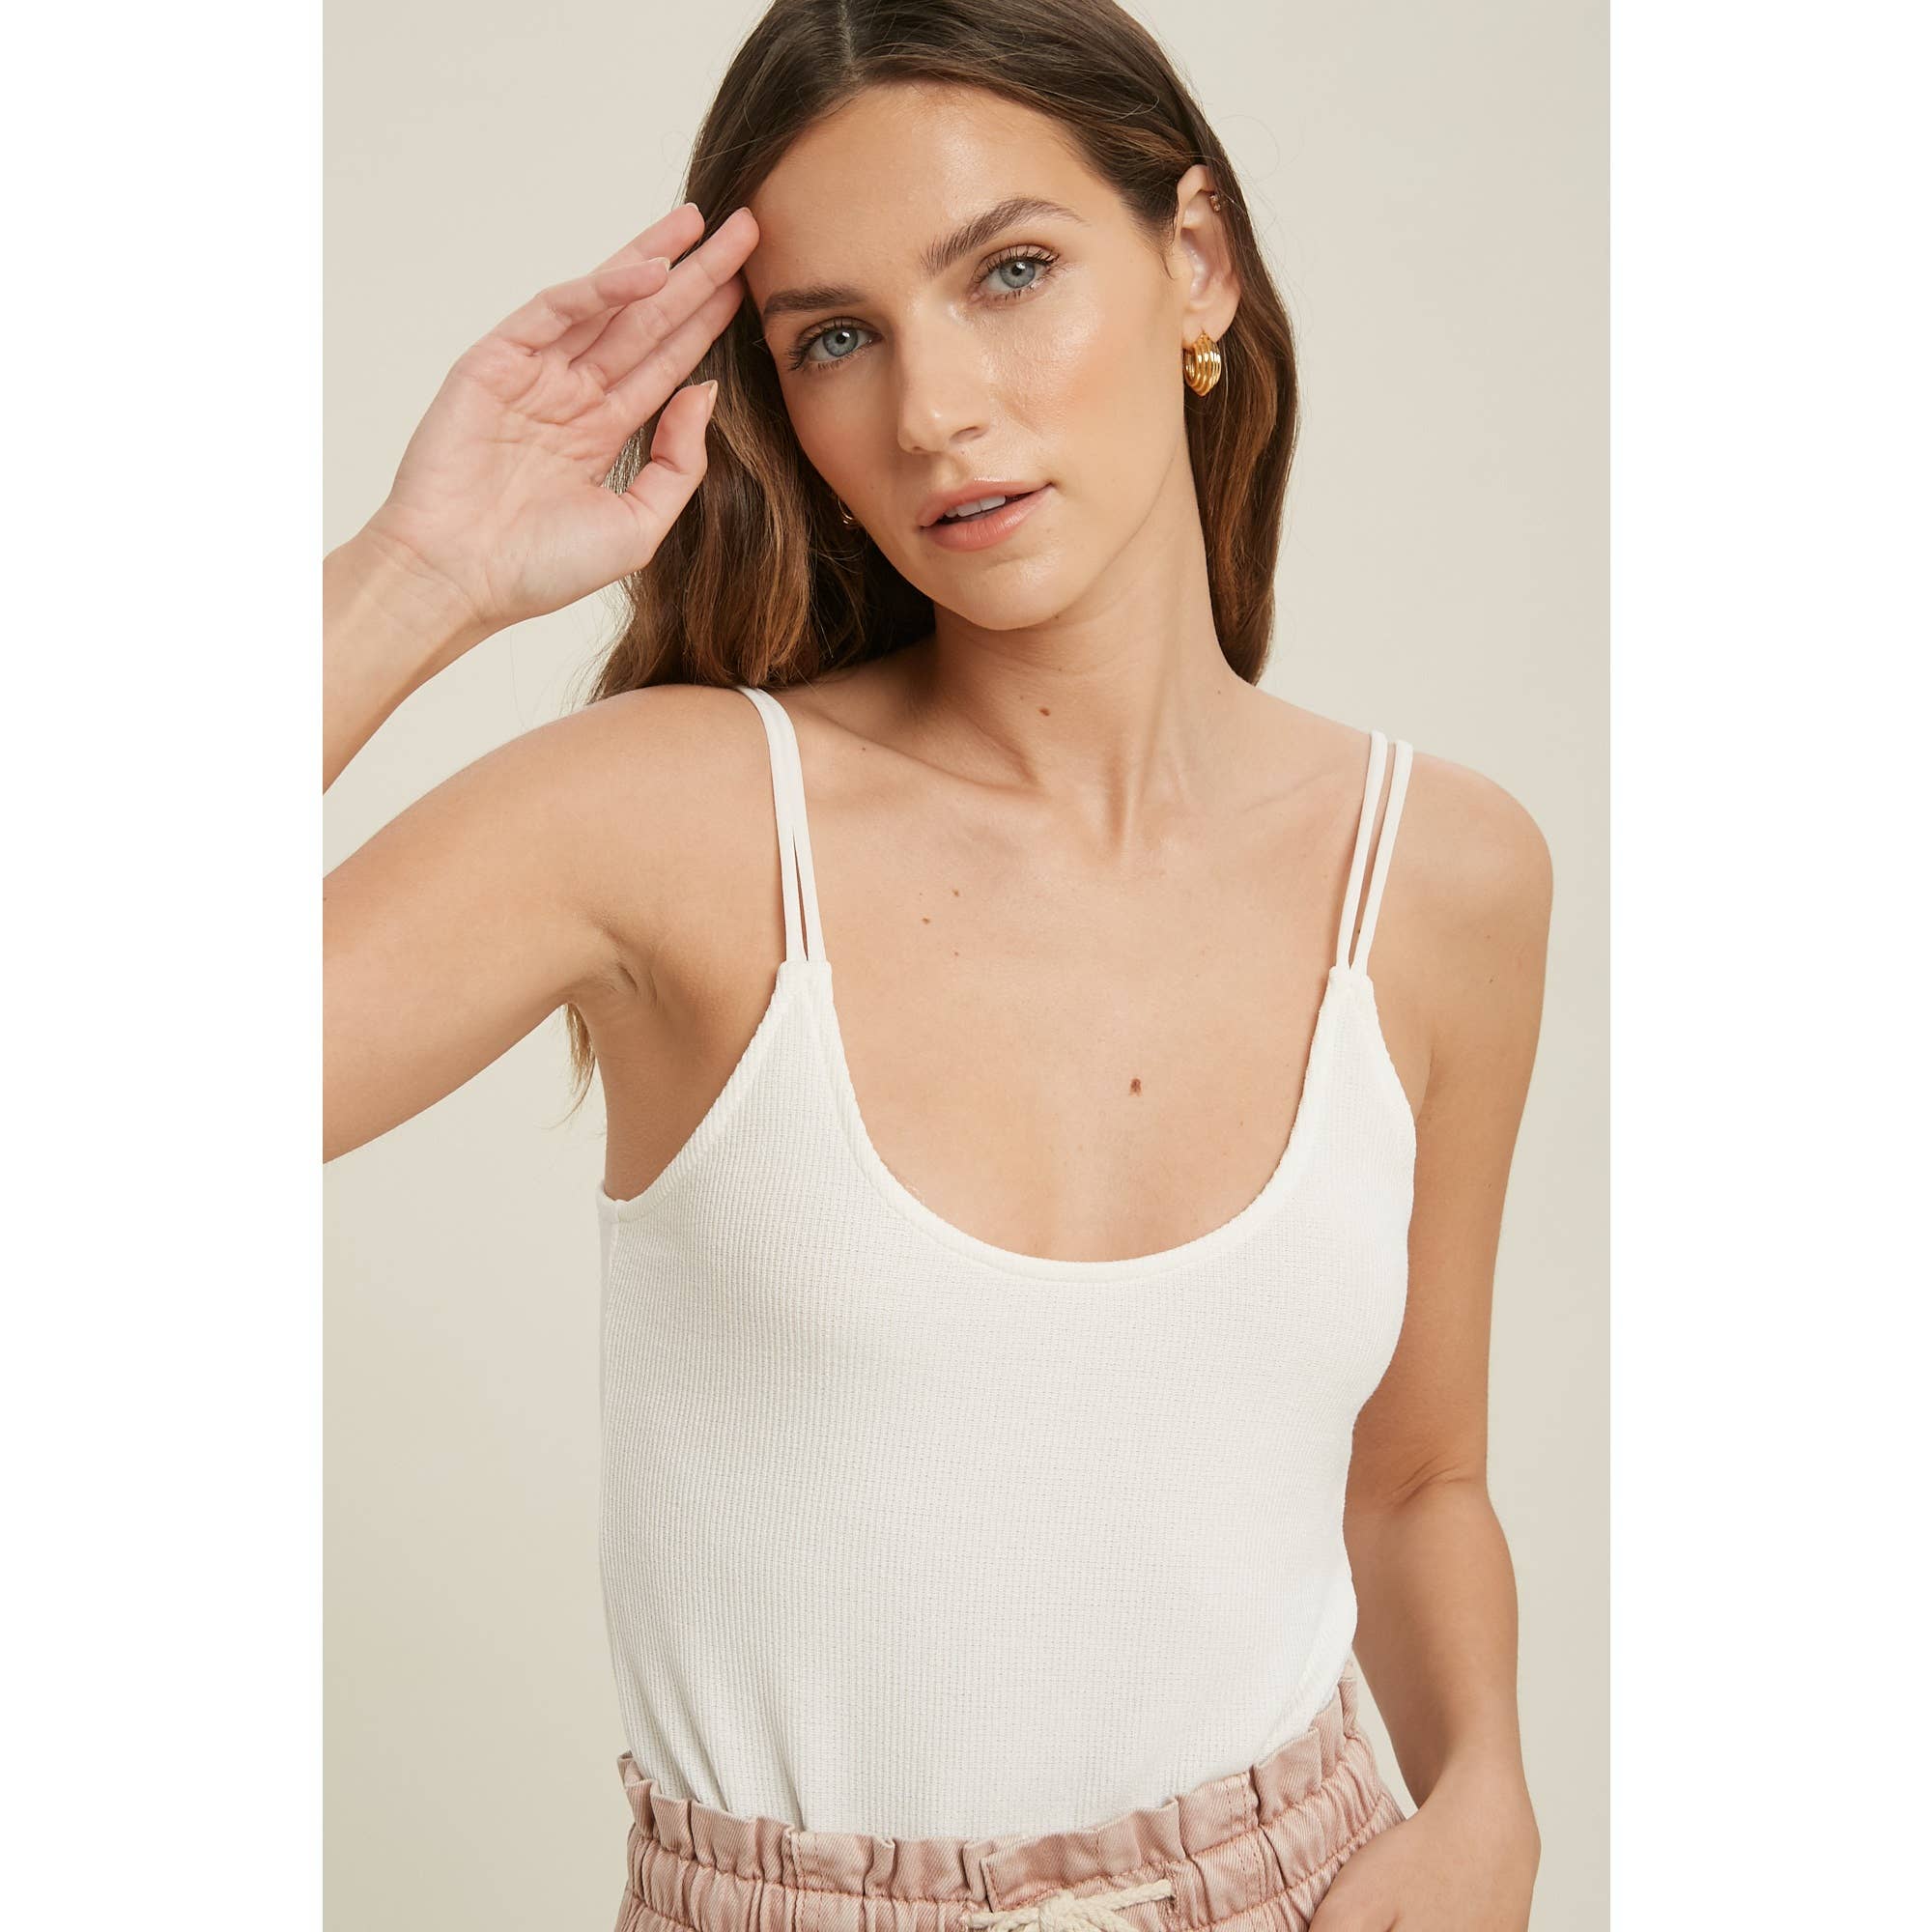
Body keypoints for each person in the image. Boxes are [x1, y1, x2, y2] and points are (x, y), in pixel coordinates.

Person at [324, 3, 1550, 1927]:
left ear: (1196, 260)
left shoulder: (1442, 874)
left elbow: (1414, 1478)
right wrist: (419, 571)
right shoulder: (676, 819)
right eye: (835, 337)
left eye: (1010, 272)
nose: (931, 413)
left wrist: (1485, 1790)